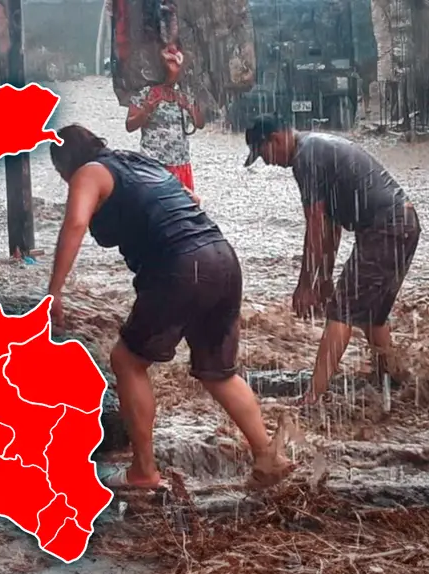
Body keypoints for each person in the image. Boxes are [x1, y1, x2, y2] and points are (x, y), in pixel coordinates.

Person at [47, 123, 291, 490]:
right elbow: (191, 199)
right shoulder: (140, 163)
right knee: (218, 372)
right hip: (221, 257)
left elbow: (76, 222)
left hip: (181, 266)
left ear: (64, 163)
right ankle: (268, 456)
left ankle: (143, 472)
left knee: (127, 361)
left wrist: (54, 290)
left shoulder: (89, 172)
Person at [243, 114, 421, 405]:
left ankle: (313, 399)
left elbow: (315, 225)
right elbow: (331, 227)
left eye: (263, 155)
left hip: (385, 229)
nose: (267, 162)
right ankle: (392, 382)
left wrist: (305, 285)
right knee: (373, 314)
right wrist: (323, 278)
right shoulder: (313, 147)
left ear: (275, 139)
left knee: (341, 312)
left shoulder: (305, 158)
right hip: (404, 224)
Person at [125, 46, 204, 192]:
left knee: (181, 204)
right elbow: (130, 125)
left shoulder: (186, 93)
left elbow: (200, 123)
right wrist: (147, 110)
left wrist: (188, 107)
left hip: (180, 162)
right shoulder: (145, 92)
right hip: (152, 163)